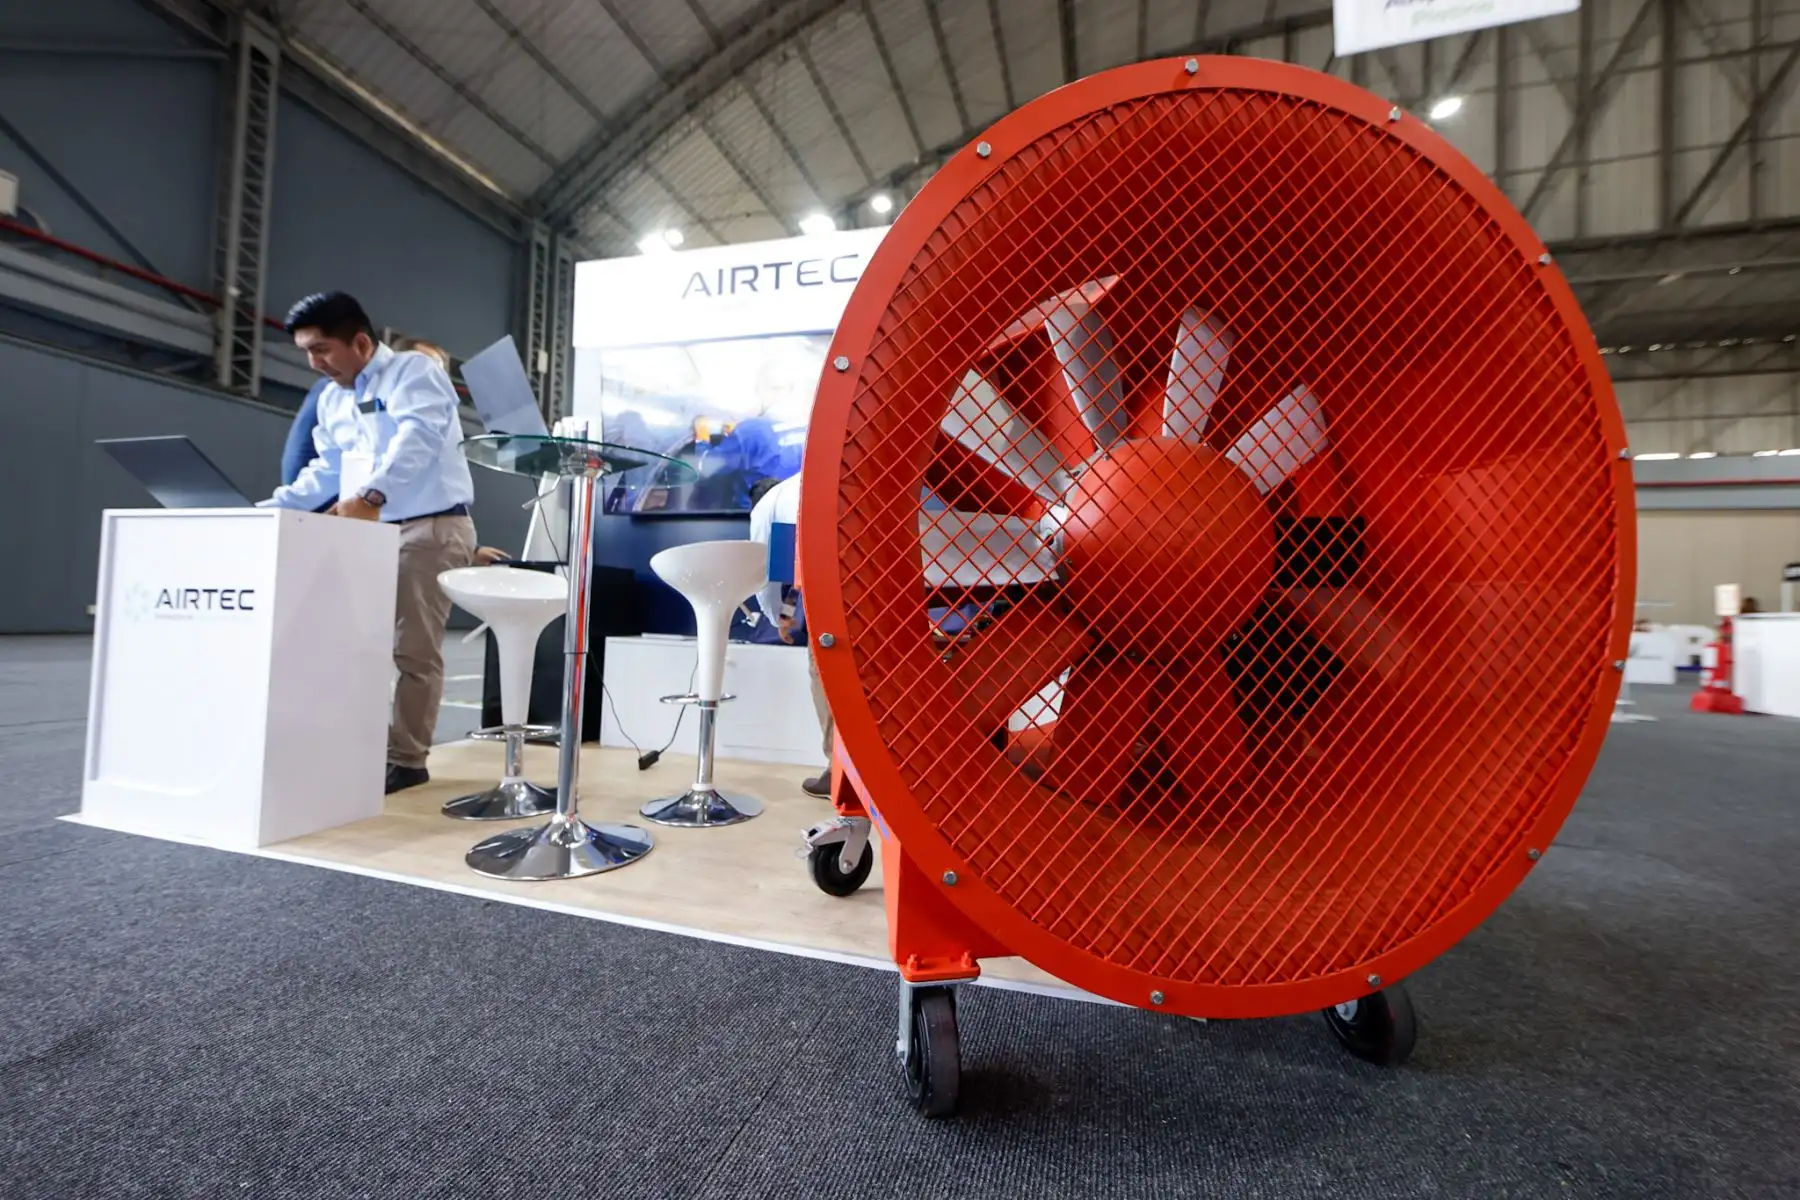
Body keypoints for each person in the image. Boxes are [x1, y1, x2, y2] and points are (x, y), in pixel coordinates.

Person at [257, 292, 477, 794]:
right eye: (307, 353)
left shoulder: (414, 373)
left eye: (322, 349)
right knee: (354, 646)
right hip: (368, 531)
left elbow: (417, 437)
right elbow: (326, 471)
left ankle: (407, 760)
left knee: (413, 653)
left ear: (360, 341)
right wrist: (267, 510)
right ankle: (363, 748)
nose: (315, 363)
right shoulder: (333, 399)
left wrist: (373, 493)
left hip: (429, 527)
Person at [748, 471, 832, 798]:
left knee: (826, 682)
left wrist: (775, 618)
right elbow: (795, 574)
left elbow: (769, 571)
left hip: (831, 608)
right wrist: (787, 615)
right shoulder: (809, 486)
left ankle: (837, 770)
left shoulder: (770, 505)